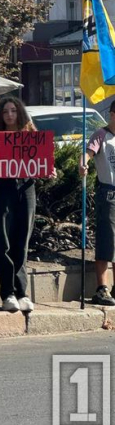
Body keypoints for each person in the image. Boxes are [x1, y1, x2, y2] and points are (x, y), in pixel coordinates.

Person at [0, 97, 49, 313]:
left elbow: (41, 165)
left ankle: (22, 292)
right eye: (5, 112)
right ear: (0, 116)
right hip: (3, 192)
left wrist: (49, 170)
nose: (10, 115)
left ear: (19, 113)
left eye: (13, 111)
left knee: (22, 243)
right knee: (3, 244)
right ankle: (7, 293)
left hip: (26, 191)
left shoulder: (31, 135)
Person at [79, 100, 115, 306]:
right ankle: (102, 288)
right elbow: (88, 153)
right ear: (112, 114)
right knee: (106, 241)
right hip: (108, 193)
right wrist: (83, 163)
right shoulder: (101, 135)